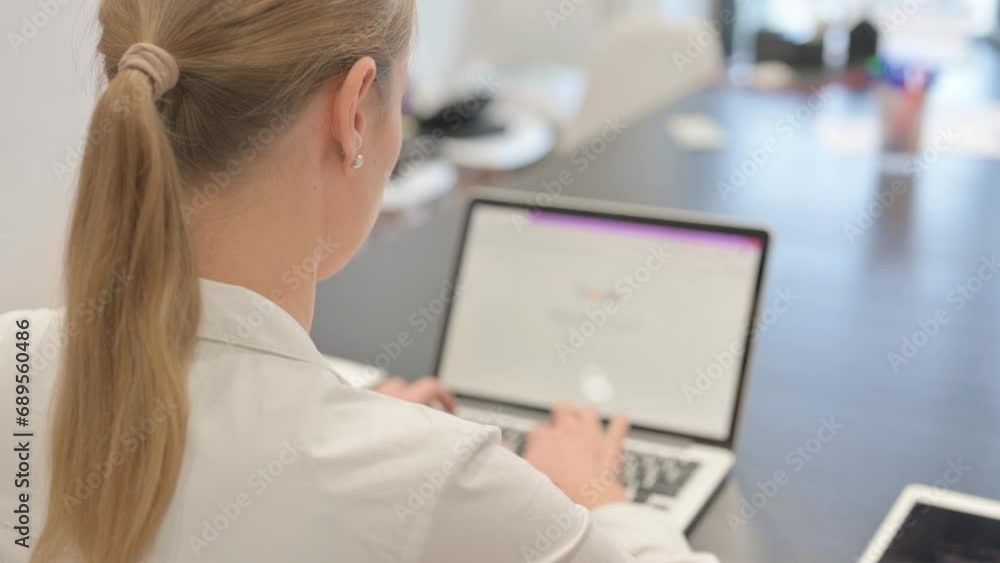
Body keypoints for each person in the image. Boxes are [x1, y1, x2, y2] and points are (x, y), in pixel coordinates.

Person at [0, 1, 719, 562]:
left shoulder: (15, 361)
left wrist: (350, 415)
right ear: (353, 112)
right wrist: (599, 499)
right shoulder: (437, 480)